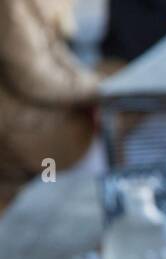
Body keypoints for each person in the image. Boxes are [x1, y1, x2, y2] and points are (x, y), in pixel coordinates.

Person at [0, 0, 100, 212]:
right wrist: (95, 88)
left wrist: (93, 84)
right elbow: (34, 80)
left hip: (46, 112)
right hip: (26, 125)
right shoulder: (11, 6)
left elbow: (57, 56)